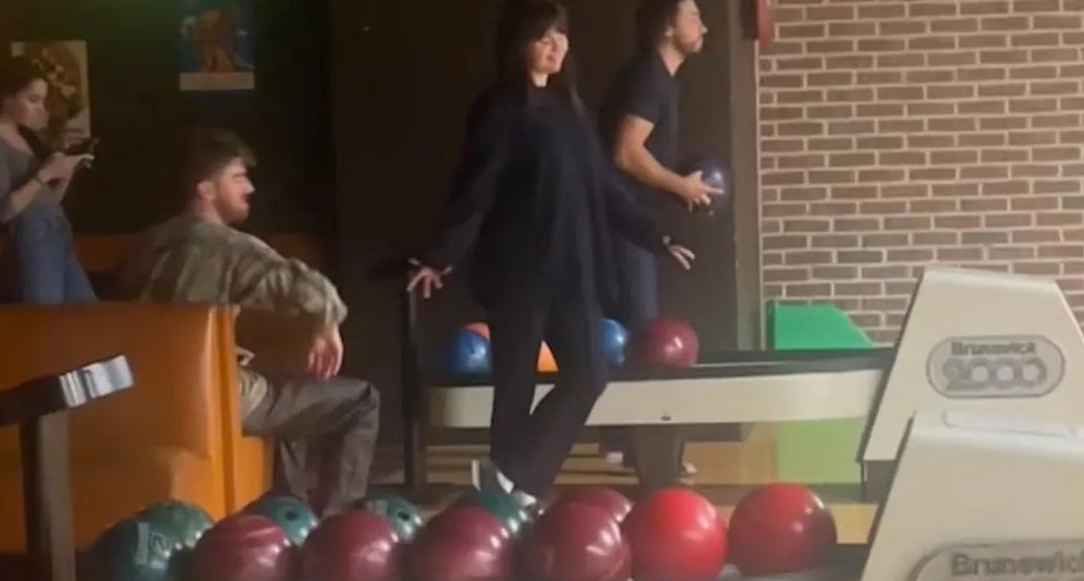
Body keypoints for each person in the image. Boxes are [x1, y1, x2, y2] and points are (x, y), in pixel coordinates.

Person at [407, 0, 695, 504]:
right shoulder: (499, 109)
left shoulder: (570, 112)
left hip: (573, 273)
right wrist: (442, 254)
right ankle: (514, 498)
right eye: (544, 36)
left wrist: (654, 235)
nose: (556, 45)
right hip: (519, 273)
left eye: (561, 36)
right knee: (514, 388)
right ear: (519, 45)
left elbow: (605, 187)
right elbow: (476, 190)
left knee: (589, 374)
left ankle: (512, 476)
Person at [116, 128, 379, 517]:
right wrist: (326, 323)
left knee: (291, 385)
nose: (250, 187)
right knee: (362, 400)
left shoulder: (145, 245)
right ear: (206, 189)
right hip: (219, 396)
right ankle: (335, 529)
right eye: (238, 177)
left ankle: (289, 513)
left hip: (146, 397)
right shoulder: (227, 247)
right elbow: (305, 287)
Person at [596, 0, 715, 477]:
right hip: (619, 227)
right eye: (693, 15)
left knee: (636, 335)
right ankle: (646, 460)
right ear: (667, 26)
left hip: (631, 226)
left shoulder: (657, 79)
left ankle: (626, 448)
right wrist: (682, 186)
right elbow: (624, 153)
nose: (703, 24)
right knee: (644, 338)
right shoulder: (648, 76)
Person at [0, 56, 97, 304]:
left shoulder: (23, 136)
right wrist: (45, 174)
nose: (40, 108)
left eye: (42, 100)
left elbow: (47, 204)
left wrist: (66, 173)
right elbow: (2, 212)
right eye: (32, 100)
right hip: (32, 242)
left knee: (88, 315)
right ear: (7, 98)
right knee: (45, 324)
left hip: (57, 232)